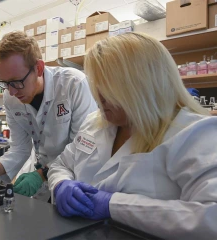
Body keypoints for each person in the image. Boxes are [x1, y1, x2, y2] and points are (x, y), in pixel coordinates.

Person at [48, 32, 217, 240]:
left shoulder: (195, 133)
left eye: (109, 88)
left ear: (142, 86)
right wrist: (60, 184)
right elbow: (61, 165)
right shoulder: (95, 122)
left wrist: (114, 206)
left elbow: (211, 218)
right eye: (97, 86)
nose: (99, 98)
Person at [0, 31, 97, 198]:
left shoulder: (73, 84)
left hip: (73, 177)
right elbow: (20, 148)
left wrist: (42, 174)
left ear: (38, 68)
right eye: (4, 83)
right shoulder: (10, 98)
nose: (11, 91)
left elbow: (82, 149)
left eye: (16, 82)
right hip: (40, 173)